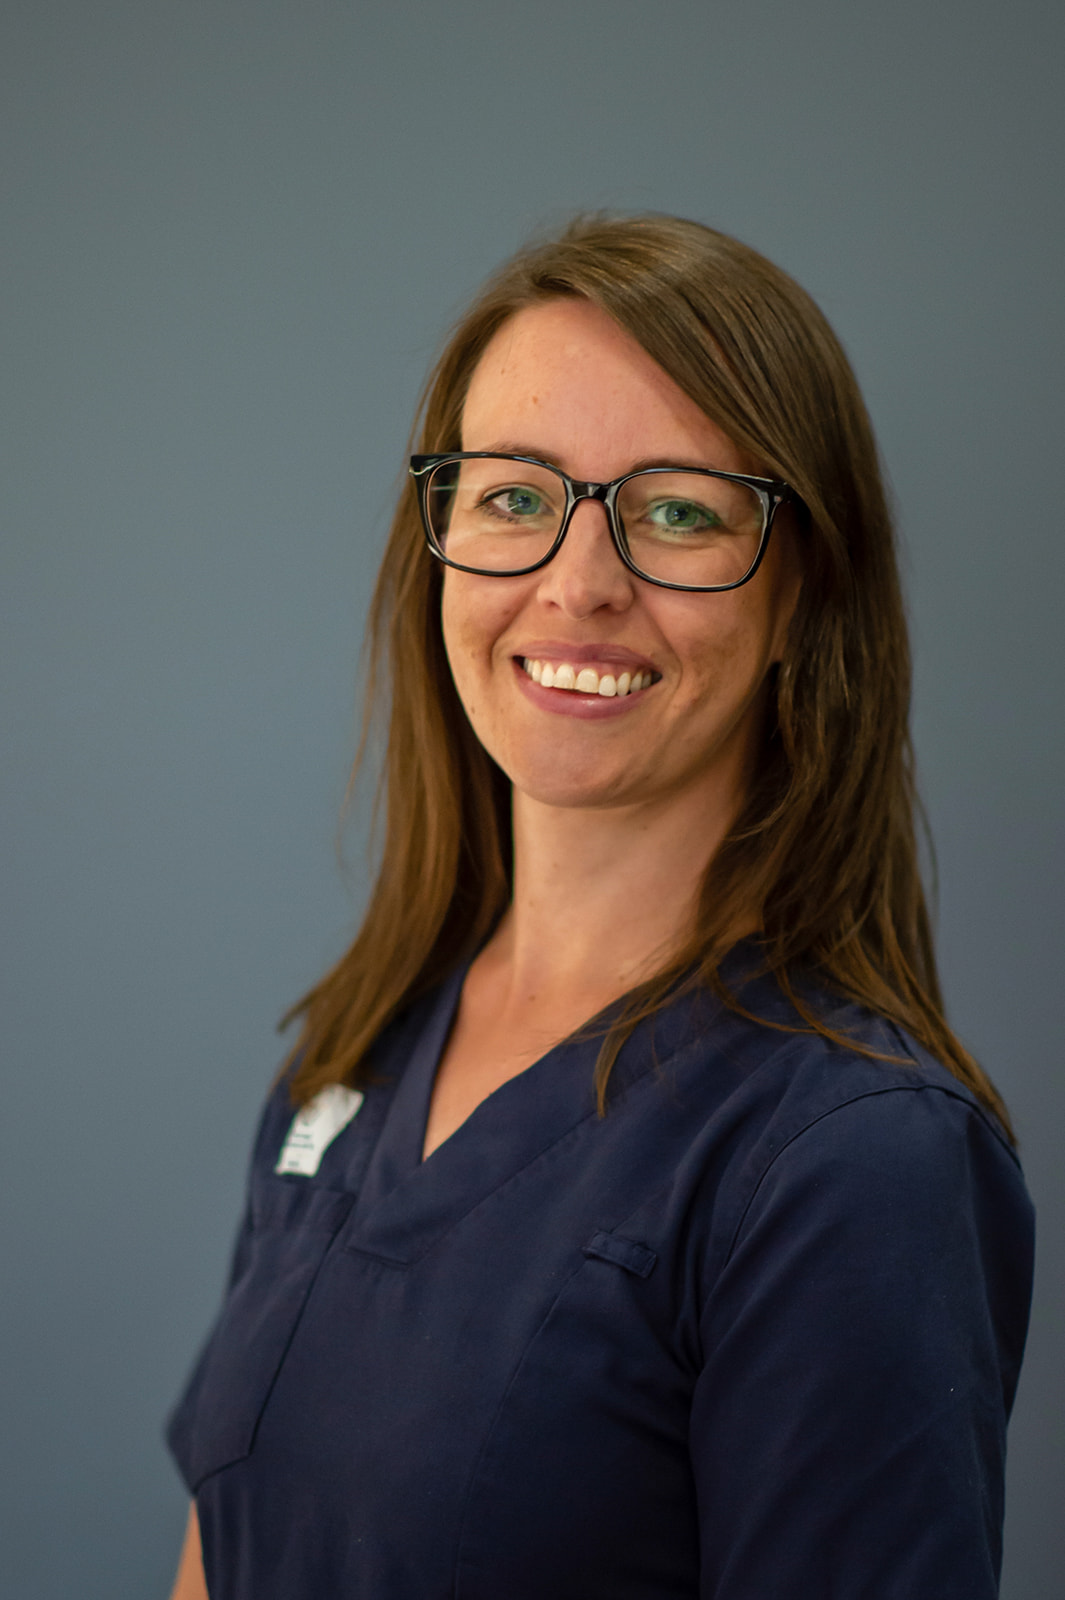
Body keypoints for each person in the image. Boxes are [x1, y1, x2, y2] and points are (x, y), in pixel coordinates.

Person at [167, 214, 1034, 1600]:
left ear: (804, 588)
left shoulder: (852, 1163)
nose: (578, 584)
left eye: (677, 509)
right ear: (436, 543)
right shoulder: (350, 1062)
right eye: (513, 495)